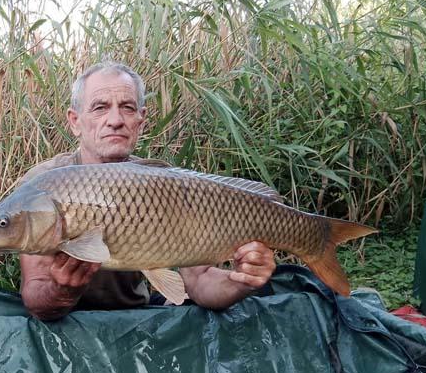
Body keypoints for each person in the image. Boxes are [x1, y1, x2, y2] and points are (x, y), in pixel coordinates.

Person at [18, 62, 276, 320]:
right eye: (100, 108)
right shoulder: (44, 186)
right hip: (65, 324)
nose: (116, 121)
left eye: (127, 108)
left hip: (138, 319)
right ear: (75, 121)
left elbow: (200, 282)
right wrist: (62, 290)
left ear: (140, 121)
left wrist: (243, 279)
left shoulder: (166, 185)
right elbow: (36, 298)